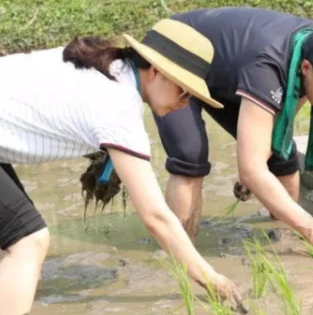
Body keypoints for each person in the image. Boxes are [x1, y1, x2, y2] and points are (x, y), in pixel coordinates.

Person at [0, 19, 245, 315]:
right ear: (156, 72)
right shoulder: (118, 107)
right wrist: (211, 278)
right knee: (28, 241)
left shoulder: (108, 67)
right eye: (185, 91)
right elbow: (156, 217)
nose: (186, 103)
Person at [145, 6, 313, 260]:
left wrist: (258, 164)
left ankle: (284, 240)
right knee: (190, 156)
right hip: (177, 52)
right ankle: (180, 256)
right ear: (307, 68)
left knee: (281, 156)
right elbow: (251, 170)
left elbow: (282, 119)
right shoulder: (268, 68)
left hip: (230, 68)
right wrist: (312, 227)